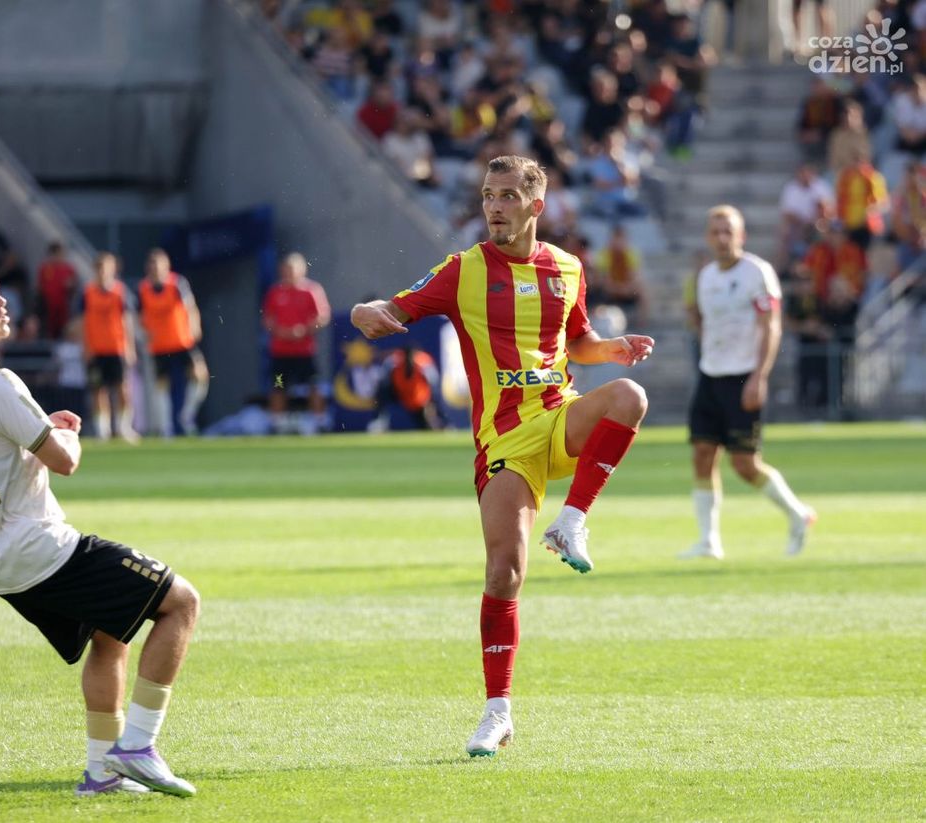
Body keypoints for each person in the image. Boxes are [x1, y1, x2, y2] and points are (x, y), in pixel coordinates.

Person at [350, 155, 653, 758]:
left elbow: (579, 343)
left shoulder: (566, 268)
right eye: (489, 195)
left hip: (559, 416)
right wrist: (366, 313)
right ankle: (498, 712)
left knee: (630, 397)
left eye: (509, 196)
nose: (495, 206)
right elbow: (395, 306)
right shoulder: (463, 271)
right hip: (505, 440)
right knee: (503, 572)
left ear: (536, 207)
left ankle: (572, 522)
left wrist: (610, 349)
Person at [0, 252, 199, 798]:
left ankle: (102, 773)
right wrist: (66, 435)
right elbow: (65, 462)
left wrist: (40, 431)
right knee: (181, 602)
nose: (1, 300)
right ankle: (137, 745)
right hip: (40, 546)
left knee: (112, 634)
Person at [682, 205, 816, 562]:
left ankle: (797, 514)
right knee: (701, 456)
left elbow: (770, 325)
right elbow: (702, 323)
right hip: (711, 375)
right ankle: (708, 540)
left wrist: (759, 376)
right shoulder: (705, 276)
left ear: (741, 236)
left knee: (744, 464)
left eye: (729, 231)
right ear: (708, 237)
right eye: (716, 231)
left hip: (744, 377)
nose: (722, 238)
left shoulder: (758, 272)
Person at [137, 249, 209, 437]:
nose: (156, 269)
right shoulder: (143, 288)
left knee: (199, 375)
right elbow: (139, 315)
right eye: (152, 265)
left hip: (182, 340)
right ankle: (166, 426)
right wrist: (144, 333)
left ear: (166, 266)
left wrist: (194, 327)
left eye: (159, 265)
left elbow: (190, 307)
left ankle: (187, 414)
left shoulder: (177, 284)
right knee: (162, 385)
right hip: (159, 344)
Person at [262, 251, 332, 433]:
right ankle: (276, 424)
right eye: (285, 269)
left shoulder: (311, 290)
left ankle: (320, 422)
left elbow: (322, 316)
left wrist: (303, 330)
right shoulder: (275, 292)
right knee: (278, 386)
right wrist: (280, 331)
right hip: (281, 352)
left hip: (304, 351)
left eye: (292, 269)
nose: (288, 273)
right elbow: (267, 319)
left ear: (302, 270)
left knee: (313, 386)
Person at [80, 252, 138, 442]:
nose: (102, 272)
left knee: (122, 388)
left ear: (113, 269)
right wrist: (85, 347)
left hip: (117, 347)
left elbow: (127, 321)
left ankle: (123, 427)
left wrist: (130, 347)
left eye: (105, 267)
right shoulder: (87, 293)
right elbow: (83, 322)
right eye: (99, 268)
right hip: (96, 349)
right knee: (99, 390)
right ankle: (102, 431)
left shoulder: (120, 292)